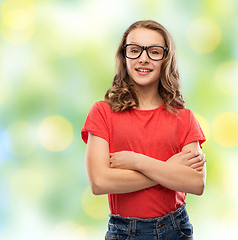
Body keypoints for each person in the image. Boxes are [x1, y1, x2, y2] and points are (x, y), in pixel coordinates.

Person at [81, 20, 206, 240]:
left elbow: (196, 183)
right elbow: (99, 182)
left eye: (154, 51)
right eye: (135, 50)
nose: (143, 58)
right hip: (124, 231)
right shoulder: (103, 112)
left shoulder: (184, 118)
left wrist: (137, 161)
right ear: (124, 56)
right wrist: (168, 171)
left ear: (166, 59)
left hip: (175, 228)